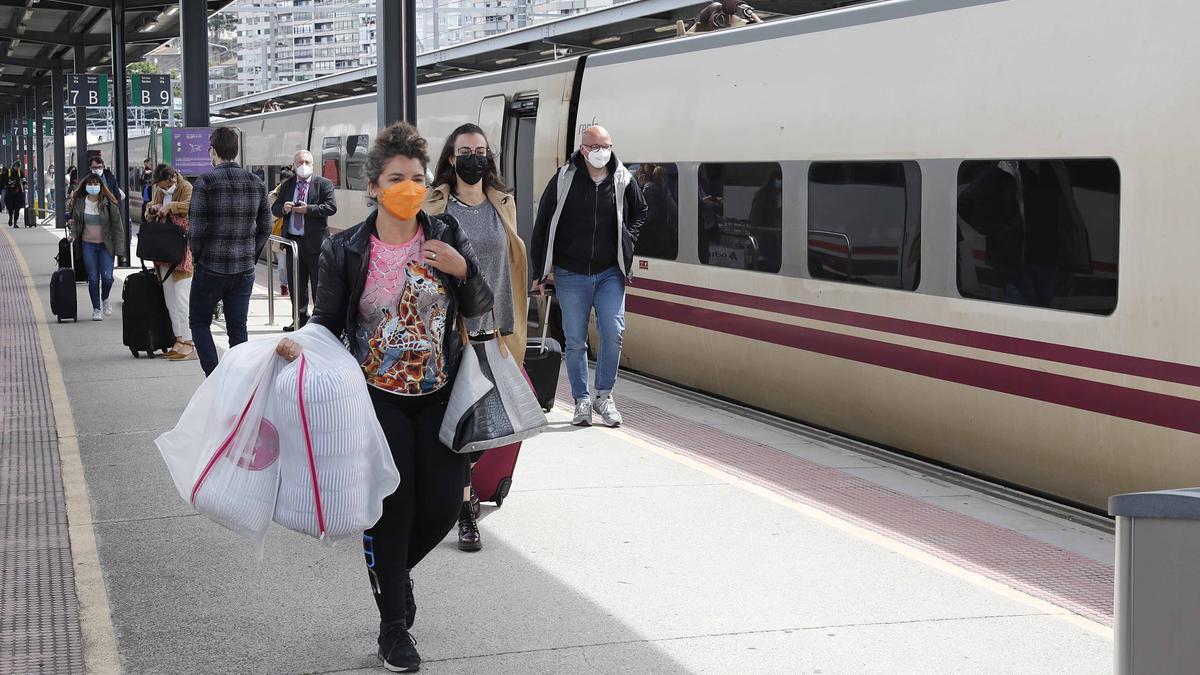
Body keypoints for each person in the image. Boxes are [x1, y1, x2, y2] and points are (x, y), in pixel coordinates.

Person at [275, 122, 492, 673]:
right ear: (373, 186)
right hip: (378, 398)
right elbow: (325, 322)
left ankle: (392, 574)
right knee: (393, 507)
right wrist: (298, 349)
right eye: (397, 178)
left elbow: (480, 303)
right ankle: (393, 627)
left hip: (440, 393)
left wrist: (463, 270)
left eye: (418, 178)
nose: (410, 187)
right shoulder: (347, 248)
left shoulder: (444, 232)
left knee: (443, 505)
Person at [425, 122, 528, 553]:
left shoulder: (503, 203)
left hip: (498, 325)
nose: (474, 157)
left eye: (481, 150)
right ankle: (466, 511)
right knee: (465, 420)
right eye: (466, 150)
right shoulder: (435, 207)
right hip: (454, 328)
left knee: (498, 421)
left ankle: (458, 492)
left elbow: (508, 263)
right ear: (451, 157)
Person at [530, 125, 647, 427]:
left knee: (613, 331)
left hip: (610, 272)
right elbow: (544, 222)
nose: (602, 152)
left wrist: (627, 239)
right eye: (595, 147)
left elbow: (640, 211)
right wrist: (539, 272)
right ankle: (581, 400)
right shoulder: (565, 178)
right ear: (583, 149)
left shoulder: (623, 179)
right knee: (575, 339)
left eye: (606, 146)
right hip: (571, 272)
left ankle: (604, 396)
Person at [187, 127, 272, 376]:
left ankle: (214, 377)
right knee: (238, 329)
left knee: (200, 322)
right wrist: (250, 255)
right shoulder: (256, 183)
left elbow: (196, 230)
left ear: (213, 151)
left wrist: (199, 257)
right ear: (235, 151)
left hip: (210, 267)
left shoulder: (205, 182)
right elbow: (265, 227)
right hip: (243, 270)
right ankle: (238, 382)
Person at [271, 149, 337, 331]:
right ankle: (299, 320)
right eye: (300, 163)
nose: (303, 166)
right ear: (293, 165)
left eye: (307, 162)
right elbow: (275, 208)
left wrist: (308, 209)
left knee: (319, 285)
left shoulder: (323, 184)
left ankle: (319, 323)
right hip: (293, 243)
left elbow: (331, 207)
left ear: (313, 165)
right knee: (296, 285)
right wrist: (284, 208)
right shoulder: (287, 185)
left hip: (317, 245)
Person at [146, 163, 197, 361]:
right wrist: (153, 209)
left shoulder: (186, 188)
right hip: (163, 251)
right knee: (170, 300)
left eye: (165, 186)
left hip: (181, 251)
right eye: (160, 186)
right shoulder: (159, 191)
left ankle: (190, 343)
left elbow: (190, 207)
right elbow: (148, 210)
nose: (163, 189)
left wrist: (170, 206)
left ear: (173, 178)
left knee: (182, 299)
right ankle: (178, 338)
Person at [66, 171, 124, 320]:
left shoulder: (108, 202)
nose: (93, 186)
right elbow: (76, 222)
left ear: (101, 185)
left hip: (106, 246)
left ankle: (105, 298)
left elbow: (117, 226)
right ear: (85, 186)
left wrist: (120, 248)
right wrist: (72, 234)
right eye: (90, 184)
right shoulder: (79, 202)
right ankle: (96, 309)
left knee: (108, 278)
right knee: (92, 278)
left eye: (96, 184)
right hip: (88, 245)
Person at [5, 163, 27, 228]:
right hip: (9, 193)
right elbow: (5, 180)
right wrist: (10, 184)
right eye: (17, 167)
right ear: (14, 166)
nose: (18, 168)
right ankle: (10, 217)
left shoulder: (20, 172)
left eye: (19, 167)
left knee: (17, 208)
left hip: (18, 192)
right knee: (10, 208)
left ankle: (15, 223)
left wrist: (25, 184)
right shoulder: (8, 172)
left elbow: (23, 179)